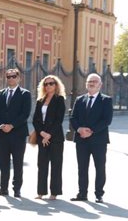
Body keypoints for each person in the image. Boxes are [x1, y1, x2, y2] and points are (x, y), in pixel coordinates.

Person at [69, 73, 113, 203]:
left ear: (100, 85)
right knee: (82, 167)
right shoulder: (79, 99)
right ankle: (82, 193)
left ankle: (99, 194)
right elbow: (73, 117)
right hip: (81, 139)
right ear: (86, 84)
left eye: (94, 81)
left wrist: (91, 131)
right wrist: (79, 129)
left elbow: (107, 120)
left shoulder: (106, 100)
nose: (91, 83)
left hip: (98, 140)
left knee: (99, 167)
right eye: (89, 81)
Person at [0, 68, 32, 198]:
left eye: (13, 76)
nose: (11, 79)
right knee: (3, 163)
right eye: (8, 77)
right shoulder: (0, 94)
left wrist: (12, 125)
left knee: (17, 162)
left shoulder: (25, 94)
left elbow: (25, 114)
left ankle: (16, 189)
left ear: (19, 78)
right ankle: (3, 188)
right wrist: (1, 125)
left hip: (18, 134)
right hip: (2, 133)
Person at [32, 75, 66, 200]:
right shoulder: (40, 100)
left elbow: (59, 120)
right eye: (46, 84)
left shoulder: (59, 99)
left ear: (56, 85)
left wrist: (49, 134)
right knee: (42, 164)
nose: (48, 86)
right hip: (42, 137)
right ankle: (41, 192)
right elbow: (35, 120)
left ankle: (54, 192)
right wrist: (42, 133)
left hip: (55, 137)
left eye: (51, 83)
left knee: (56, 165)